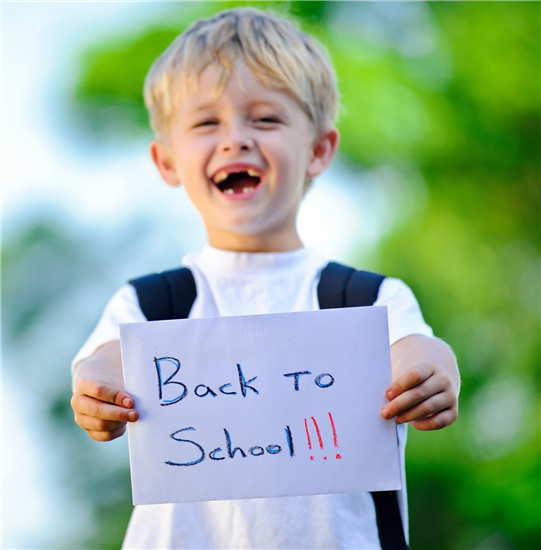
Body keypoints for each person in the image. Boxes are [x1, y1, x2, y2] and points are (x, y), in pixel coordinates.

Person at [70, 7, 459, 549]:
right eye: (207, 122)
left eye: (266, 119)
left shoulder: (365, 299)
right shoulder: (150, 303)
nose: (235, 140)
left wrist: (433, 373)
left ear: (319, 150)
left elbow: (417, 349)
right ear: (166, 161)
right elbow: (105, 360)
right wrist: (97, 390)